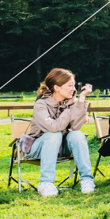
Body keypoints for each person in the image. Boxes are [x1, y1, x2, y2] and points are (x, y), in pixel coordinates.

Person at [28, 68, 96, 197]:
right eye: (70, 85)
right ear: (57, 87)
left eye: (74, 85)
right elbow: (54, 127)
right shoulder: (41, 105)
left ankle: (87, 180)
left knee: (77, 134)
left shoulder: (71, 102)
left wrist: (81, 100)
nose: (73, 88)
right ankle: (46, 183)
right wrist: (70, 110)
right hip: (38, 147)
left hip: (61, 147)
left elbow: (75, 127)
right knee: (54, 134)